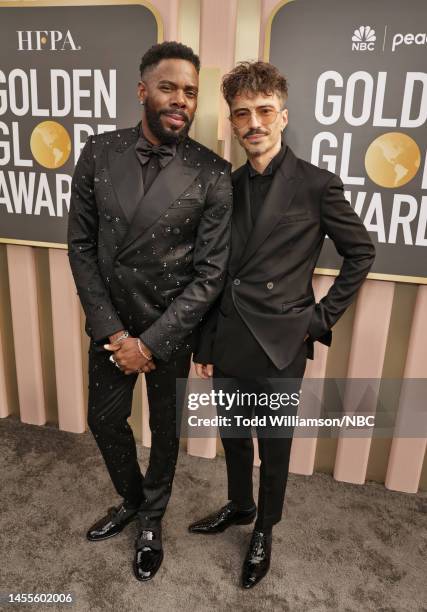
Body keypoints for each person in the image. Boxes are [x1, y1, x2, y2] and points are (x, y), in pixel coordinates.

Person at [188, 61, 375, 589]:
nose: (254, 122)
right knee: (233, 435)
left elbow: (361, 252)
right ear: (232, 122)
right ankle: (239, 504)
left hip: (280, 343)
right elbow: (216, 272)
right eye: (242, 113)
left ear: (283, 116)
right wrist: (204, 342)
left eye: (264, 111)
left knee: (273, 445)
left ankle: (264, 528)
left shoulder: (316, 185)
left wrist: (318, 319)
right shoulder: (225, 186)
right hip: (227, 337)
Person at [67, 41, 232, 582]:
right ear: (143, 90)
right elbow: (82, 247)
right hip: (112, 327)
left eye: (190, 91)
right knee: (104, 420)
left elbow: (210, 275)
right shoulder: (98, 151)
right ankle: (132, 498)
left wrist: (151, 343)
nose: (180, 99)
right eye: (168, 87)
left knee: (165, 433)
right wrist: (114, 333)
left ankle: (151, 521)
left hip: (169, 332)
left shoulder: (213, 171)